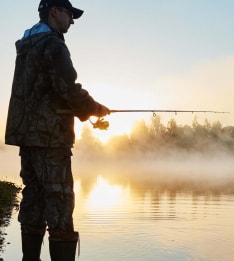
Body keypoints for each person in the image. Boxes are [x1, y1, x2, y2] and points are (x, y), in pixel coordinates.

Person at [5, 0, 110, 260]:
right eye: (69, 14)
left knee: (34, 198)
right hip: (51, 138)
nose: (72, 21)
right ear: (54, 11)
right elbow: (67, 89)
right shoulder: (52, 43)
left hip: (27, 137)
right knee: (60, 203)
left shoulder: (27, 46)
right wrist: (95, 108)